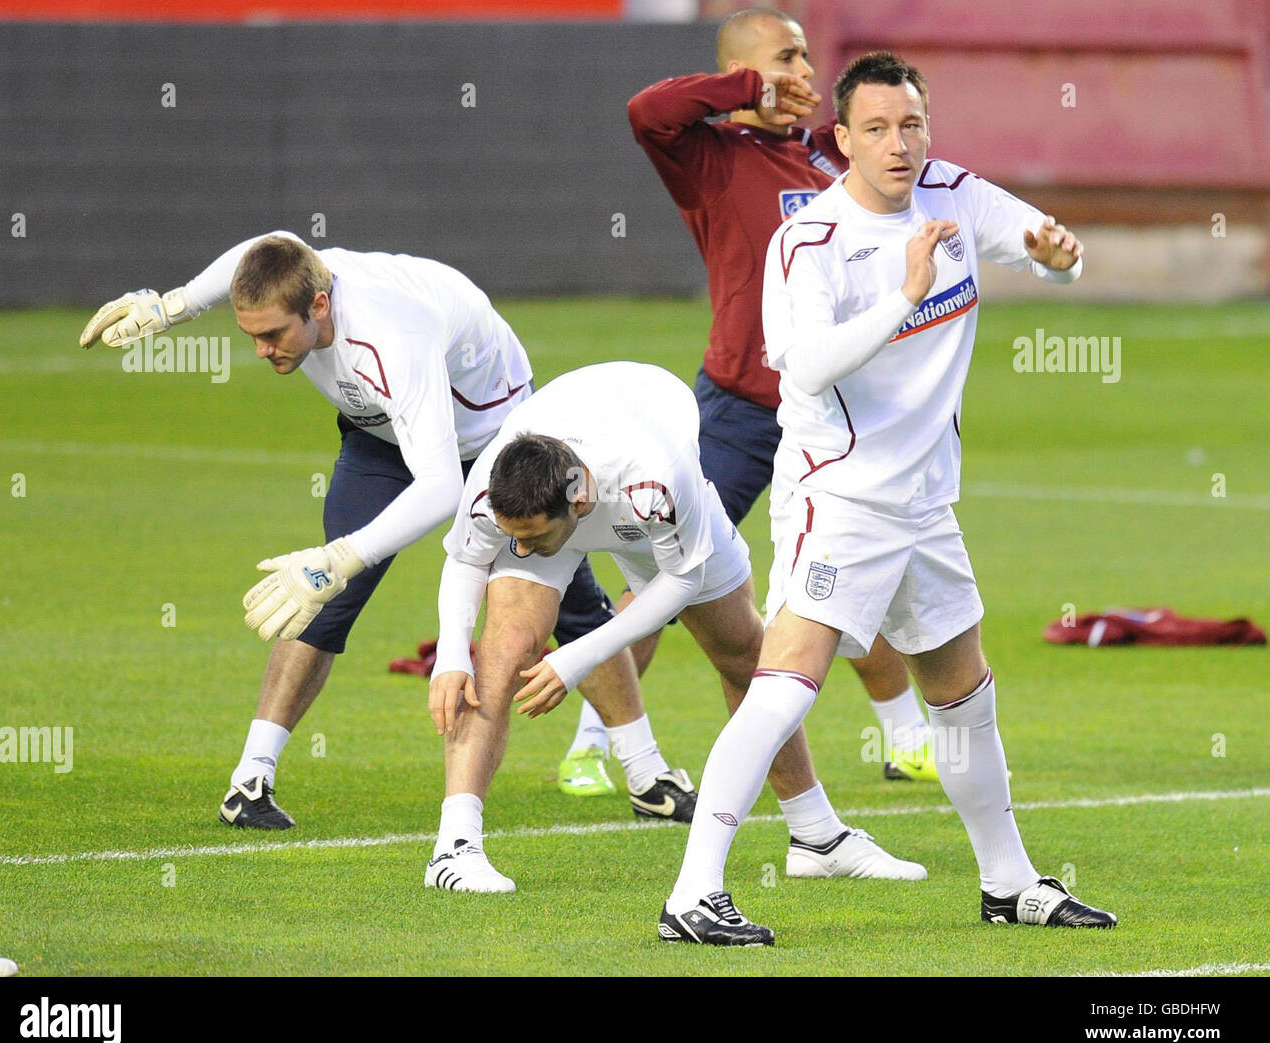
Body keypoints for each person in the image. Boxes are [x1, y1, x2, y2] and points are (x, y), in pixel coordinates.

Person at [658, 52, 1118, 945]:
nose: (898, 144)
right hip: (841, 497)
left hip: (924, 506)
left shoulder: (953, 191)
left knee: (960, 695)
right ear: (842, 140)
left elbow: (1047, 249)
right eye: (875, 129)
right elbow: (807, 361)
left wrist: (1059, 260)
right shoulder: (810, 239)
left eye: (910, 125)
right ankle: (691, 892)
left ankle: (1008, 882)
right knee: (786, 685)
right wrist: (905, 295)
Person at [78, 233, 690, 829]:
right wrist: (174, 304)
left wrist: (343, 556)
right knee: (319, 600)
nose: (263, 351)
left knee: (571, 605)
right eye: (252, 336)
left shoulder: (393, 338)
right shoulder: (298, 270)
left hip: (493, 446)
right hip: (381, 439)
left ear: (319, 306)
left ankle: (646, 775)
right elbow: (266, 243)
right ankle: (249, 781)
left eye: (272, 335)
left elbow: (442, 485)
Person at [565, 5, 937, 799]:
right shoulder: (711, 157)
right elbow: (647, 111)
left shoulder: (829, 163)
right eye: (789, 58)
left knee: (855, 571)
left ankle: (909, 738)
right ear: (746, 71)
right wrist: (745, 88)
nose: (806, 74)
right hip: (738, 409)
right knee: (671, 570)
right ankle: (596, 744)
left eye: (806, 60)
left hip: (837, 414)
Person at [426, 362, 926, 892]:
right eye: (513, 538)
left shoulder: (658, 479)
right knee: (502, 648)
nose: (518, 550)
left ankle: (817, 838)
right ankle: (454, 848)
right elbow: (466, 560)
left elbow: (678, 585)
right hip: (570, 477)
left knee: (746, 652)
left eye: (530, 539)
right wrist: (452, 655)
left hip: (646, 500)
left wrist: (577, 656)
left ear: (580, 502)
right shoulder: (495, 488)